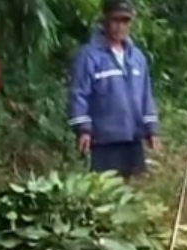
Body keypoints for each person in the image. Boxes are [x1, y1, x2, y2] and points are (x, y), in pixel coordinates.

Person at [68, 0, 160, 181]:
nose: (120, 27)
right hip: (103, 139)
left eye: (125, 21)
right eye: (115, 21)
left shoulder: (137, 58)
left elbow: (145, 96)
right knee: (103, 189)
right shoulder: (89, 56)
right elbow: (79, 94)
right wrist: (83, 130)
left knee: (126, 188)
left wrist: (152, 129)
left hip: (131, 136)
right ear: (105, 21)